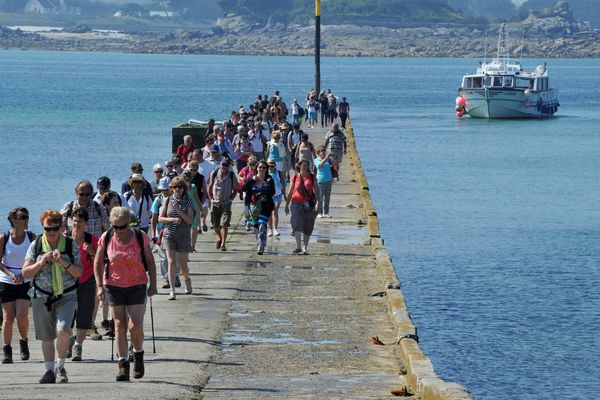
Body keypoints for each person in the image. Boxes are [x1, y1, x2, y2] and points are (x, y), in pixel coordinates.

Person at [94, 207, 157, 381]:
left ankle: (138, 354)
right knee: (119, 325)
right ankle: (123, 366)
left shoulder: (139, 237)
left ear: (128, 224)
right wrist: (99, 286)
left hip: (137, 284)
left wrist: (154, 284)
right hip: (113, 285)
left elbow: (150, 261)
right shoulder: (106, 238)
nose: (118, 230)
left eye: (122, 227)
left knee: (134, 326)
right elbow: (98, 262)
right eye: (115, 226)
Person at [22, 210, 83, 384]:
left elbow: (79, 272)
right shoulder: (36, 245)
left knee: (63, 330)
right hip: (41, 295)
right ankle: (49, 371)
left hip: (67, 294)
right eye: (47, 229)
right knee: (47, 336)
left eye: (55, 228)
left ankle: (61, 367)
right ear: (43, 228)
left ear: (62, 228)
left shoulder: (70, 245)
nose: (51, 232)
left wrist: (63, 262)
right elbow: (26, 272)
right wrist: (41, 262)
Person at [0, 208, 35, 364]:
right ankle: (7, 350)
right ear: (14, 220)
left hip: (25, 280)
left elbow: (35, 259)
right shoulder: (4, 238)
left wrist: (23, 274)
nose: (26, 220)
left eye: (27, 217)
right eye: (23, 217)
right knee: (7, 317)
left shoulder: (31, 237)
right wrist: (10, 274)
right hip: (7, 279)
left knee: (22, 316)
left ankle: (23, 341)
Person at [66, 207, 98, 362]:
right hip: (68, 281)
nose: (76, 224)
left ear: (86, 223)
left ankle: (78, 345)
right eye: (74, 221)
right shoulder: (64, 239)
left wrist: (92, 252)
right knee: (67, 314)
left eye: (80, 221)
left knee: (84, 313)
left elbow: (101, 261)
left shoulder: (91, 239)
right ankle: (71, 339)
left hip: (87, 280)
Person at [158, 177, 194, 300]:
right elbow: (160, 218)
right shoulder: (167, 200)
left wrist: (178, 210)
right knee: (171, 261)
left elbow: (190, 220)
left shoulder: (188, 201)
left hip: (183, 235)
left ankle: (187, 279)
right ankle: (172, 290)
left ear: (184, 189)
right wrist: (172, 219)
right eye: (175, 187)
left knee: (183, 263)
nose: (177, 189)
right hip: (169, 235)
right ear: (171, 189)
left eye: (180, 187)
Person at [150, 177, 180, 289]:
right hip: (161, 232)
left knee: (175, 256)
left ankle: (176, 276)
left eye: (166, 189)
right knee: (163, 258)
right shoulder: (158, 200)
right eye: (162, 189)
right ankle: (167, 278)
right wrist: (153, 235)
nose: (164, 192)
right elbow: (154, 219)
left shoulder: (178, 199)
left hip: (175, 231)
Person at [285, 160, 320, 255]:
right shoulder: (295, 177)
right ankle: (298, 247)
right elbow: (290, 192)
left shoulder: (312, 177)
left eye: (306, 165)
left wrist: (318, 203)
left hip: (309, 204)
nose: (305, 167)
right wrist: (286, 205)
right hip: (296, 204)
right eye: (303, 165)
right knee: (297, 224)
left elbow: (316, 191)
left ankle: (305, 247)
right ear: (299, 166)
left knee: (308, 226)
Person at [242, 160, 275, 255]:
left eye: (264, 167)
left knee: (262, 226)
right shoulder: (252, 179)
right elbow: (243, 189)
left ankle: (261, 246)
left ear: (266, 169)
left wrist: (263, 193)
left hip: (266, 206)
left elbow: (272, 192)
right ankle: (261, 243)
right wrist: (252, 180)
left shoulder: (269, 179)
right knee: (256, 226)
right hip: (253, 207)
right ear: (256, 168)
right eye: (260, 167)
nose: (262, 169)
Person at [208, 159, 238, 251]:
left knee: (225, 224)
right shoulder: (214, 173)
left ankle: (223, 244)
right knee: (215, 226)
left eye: (226, 165)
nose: (224, 167)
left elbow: (235, 189)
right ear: (220, 165)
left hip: (226, 203)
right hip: (215, 202)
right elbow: (209, 186)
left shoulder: (232, 175)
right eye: (222, 165)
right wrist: (211, 198)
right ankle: (220, 239)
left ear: (228, 166)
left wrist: (231, 199)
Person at [314, 146, 338, 218]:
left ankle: (326, 212)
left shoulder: (329, 159)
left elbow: (335, 166)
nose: (323, 151)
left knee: (327, 197)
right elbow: (320, 165)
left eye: (324, 150)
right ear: (318, 153)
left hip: (329, 180)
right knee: (320, 197)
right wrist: (327, 156)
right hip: (321, 181)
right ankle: (319, 213)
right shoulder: (316, 160)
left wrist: (334, 158)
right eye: (322, 150)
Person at [182, 169, 202, 251]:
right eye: (184, 176)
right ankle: (186, 246)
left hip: (194, 208)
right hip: (184, 209)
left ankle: (193, 247)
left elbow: (197, 199)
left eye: (187, 176)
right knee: (185, 229)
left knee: (194, 228)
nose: (185, 177)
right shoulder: (181, 187)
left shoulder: (193, 186)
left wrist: (201, 210)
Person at [266, 159, 286, 237]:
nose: (271, 167)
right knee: (269, 213)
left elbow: (283, 184)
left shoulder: (279, 173)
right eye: (269, 166)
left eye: (272, 166)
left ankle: (275, 229)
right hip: (269, 195)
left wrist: (284, 195)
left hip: (278, 194)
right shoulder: (265, 173)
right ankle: (270, 229)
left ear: (275, 165)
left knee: (275, 211)